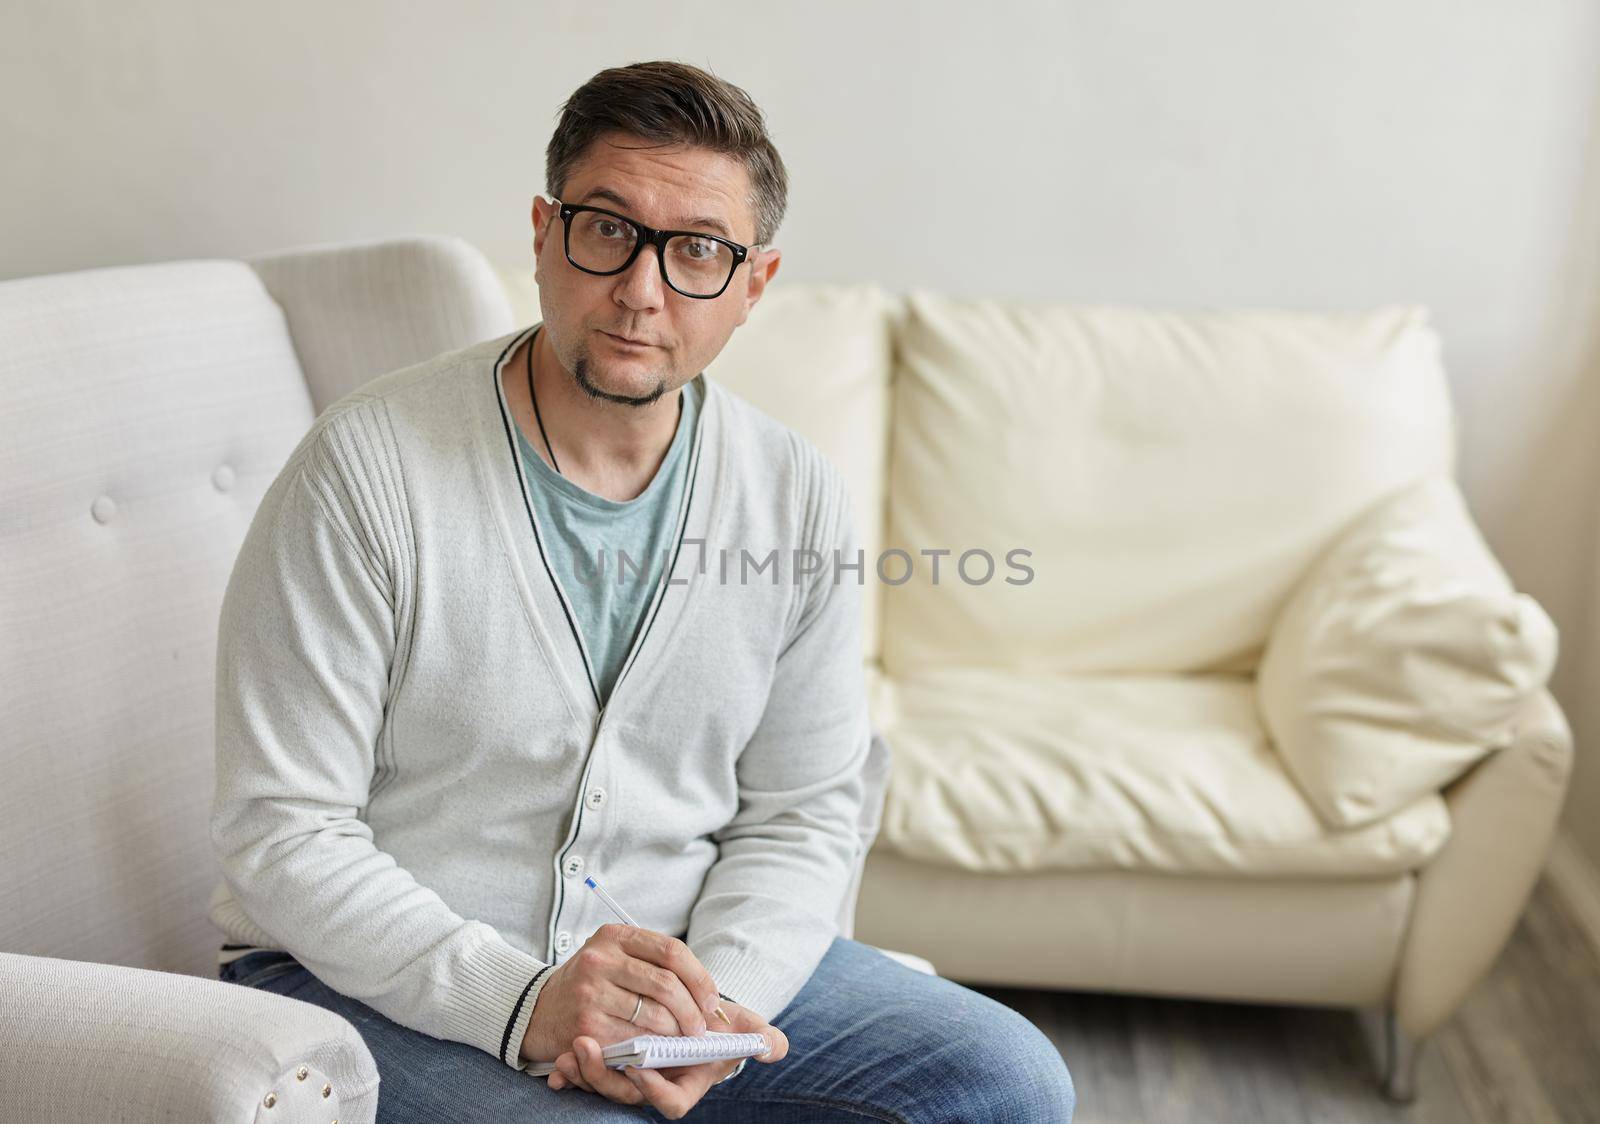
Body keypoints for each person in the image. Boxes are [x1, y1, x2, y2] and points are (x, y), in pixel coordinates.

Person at [209, 59, 1075, 1122]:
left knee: (1006, 1076)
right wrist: (525, 997)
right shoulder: (366, 468)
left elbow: (803, 810)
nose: (641, 288)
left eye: (698, 250)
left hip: (683, 965)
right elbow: (283, 829)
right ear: (542, 232)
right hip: (368, 980)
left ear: (753, 284)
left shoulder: (794, 493)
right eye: (606, 229)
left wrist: (711, 1011)